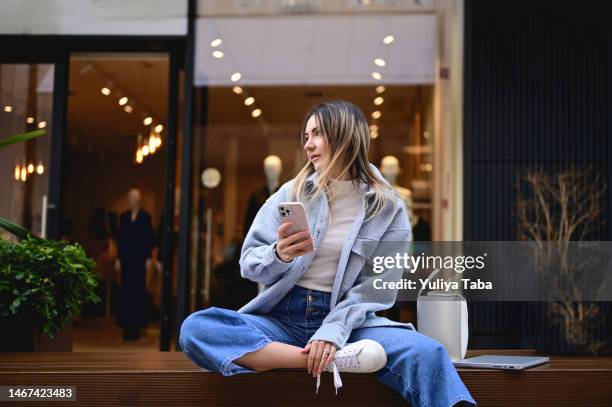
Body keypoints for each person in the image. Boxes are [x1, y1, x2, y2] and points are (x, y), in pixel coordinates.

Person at [179, 101, 476, 406]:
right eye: (306, 136)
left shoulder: (388, 207)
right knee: (197, 328)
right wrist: (279, 255)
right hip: (281, 321)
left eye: (317, 134)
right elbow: (249, 263)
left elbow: (378, 287)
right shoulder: (290, 193)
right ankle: (329, 361)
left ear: (345, 135)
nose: (308, 145)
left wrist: (333, 331)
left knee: (428, 353)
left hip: (351, 324)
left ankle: (332, 353)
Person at [117, 188, 154, 340]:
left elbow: (148, 238)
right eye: (131, 197)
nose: (133, 200)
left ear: (139, 200)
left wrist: (147, 258)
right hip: (126, 259)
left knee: (138, 290)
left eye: (135, 197)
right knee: (126, 290)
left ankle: (137, 326)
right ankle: (126, 326)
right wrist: (118, 258)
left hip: (139, 259)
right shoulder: (124, 216)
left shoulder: (145, 217)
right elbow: (121, 237)